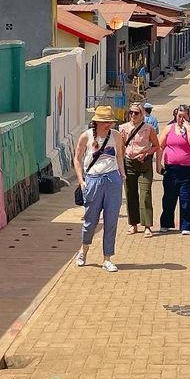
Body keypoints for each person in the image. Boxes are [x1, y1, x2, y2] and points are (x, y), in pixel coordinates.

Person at [74, 106, 126, 272]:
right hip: (93, 179)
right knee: (91, 220)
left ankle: (107, 258)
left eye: (110, 121)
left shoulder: (116, 136)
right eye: (104, 122)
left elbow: (119, 156)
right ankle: (84, 250)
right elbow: (77, 159)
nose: (108, 124)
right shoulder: (86, 136)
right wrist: (81, 181)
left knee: (111, 221)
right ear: (96, 122)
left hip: (112, 179)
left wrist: (122, 176)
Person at [159, 105, 190, 235]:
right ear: (175, 115)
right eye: (179, 116)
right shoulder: (168, 128)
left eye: (184, 116)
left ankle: (187, 225)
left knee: (187, 198)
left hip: (188, 169)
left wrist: (188, 128)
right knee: (168, 197)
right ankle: (166, 223)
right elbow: (160, 146)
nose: (181, 119)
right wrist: (158, 164)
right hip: (171, 169)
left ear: (189, 116)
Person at [121, 102, 161, 238]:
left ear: (142, 114)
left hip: (144, 164)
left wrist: (146, 153)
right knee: (130, 194)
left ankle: (148, 226)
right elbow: (120, 148)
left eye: (136, 113)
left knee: (145, 195)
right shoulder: (123, 128)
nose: (133, 115)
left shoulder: (148, 128)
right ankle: (133, 224)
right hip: (129, 163)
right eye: (131, 112)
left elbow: (156, 146)